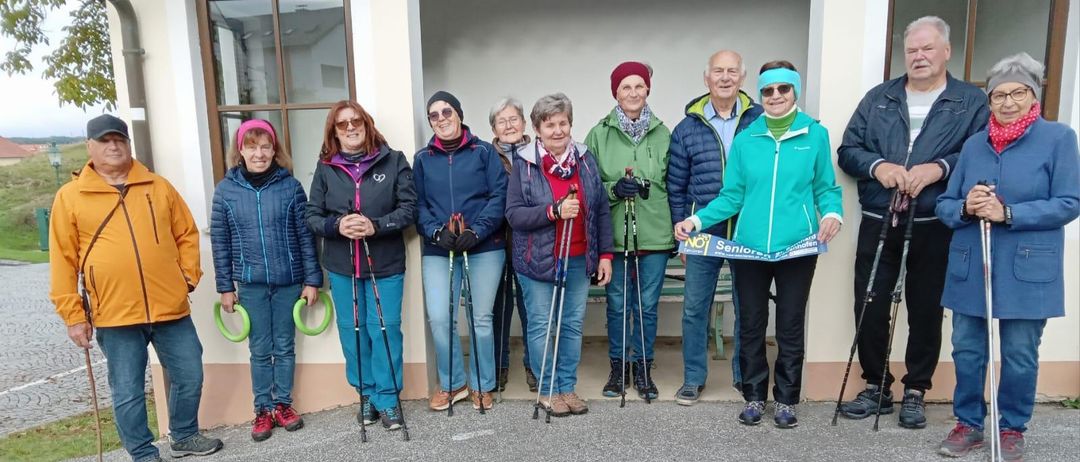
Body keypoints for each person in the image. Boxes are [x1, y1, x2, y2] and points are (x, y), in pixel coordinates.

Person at [836, 15, 990, 429]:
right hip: (879, 216)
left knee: (925, 307)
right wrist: (878, 166)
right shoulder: (879, 97)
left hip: (934, 220)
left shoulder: (970, 101)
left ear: (946, 52)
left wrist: (938, 168)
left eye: (927, 48)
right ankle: (875, 385)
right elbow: (848, 150)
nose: (918, 57)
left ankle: (917, 388)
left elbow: (982, 153)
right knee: (869, 301)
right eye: (912, 50)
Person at [674, 61, 842, 429]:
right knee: (750, 323)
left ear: (794, 91)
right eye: (768, 90)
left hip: (797, 248)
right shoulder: (748, 139)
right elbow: (731, 195)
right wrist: (696, 220)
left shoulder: (814, 134)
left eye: (783, 89)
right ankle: (753, 395)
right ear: (761, 95)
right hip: (749, 248)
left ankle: (785, 400)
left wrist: (832, 214)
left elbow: (826, 188)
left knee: (789, 324)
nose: (775, 96)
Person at [49, 114, 223, 461]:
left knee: (190, 373)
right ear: (90, 147)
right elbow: (63, 262)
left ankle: (185, 434)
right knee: (127, 389)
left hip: (170, 306)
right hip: (114, 313)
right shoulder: (71, 197)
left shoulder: (158, 187)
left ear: (128, 144)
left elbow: (186, 234)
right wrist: (73, 315)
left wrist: (186, 278)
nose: (113, 146)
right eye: (104, 140)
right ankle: (142, 451)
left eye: (119, 140)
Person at [935, 52, 1080, 460]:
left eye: (1018, 92)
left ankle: (1012, 428)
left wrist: (1009, 212)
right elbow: (946, 205)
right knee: (967, 347)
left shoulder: (1058, 138)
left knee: (1018, 353)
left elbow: (1070, 202)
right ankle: (968, 424)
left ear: (1033, 96)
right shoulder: (974, 144)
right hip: (972, 264)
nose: (1008, 102)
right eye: (998, 94)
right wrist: (966, 205)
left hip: (1028, 268)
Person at [306, 100, 416, 430]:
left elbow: (410, 209)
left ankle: (388, 397)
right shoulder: (326, 168)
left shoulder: (394, 161)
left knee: (383, 328)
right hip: (342, 266)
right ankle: (366, 393)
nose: (351, 128)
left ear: (367, 124)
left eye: (356, 121)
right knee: (352, 332)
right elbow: (312, 215)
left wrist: (376, 225)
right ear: (334, 132)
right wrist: (336, 226)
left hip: (385, 264)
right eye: (342, 124)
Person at [210, 119, 322, 441]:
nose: (258, 153)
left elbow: (305, 237)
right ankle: (262, 409)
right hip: (250, 283)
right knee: (260, 349)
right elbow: (220, 241)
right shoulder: (226, 191)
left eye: (265, 146)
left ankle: (284, 405)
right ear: (240, 150)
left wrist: (312, 279)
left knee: (285, 346)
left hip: (289, 281)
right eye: (251, 146)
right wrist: (225, 287)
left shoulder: (291, 187)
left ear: (275, 150)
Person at [506, 93, 614, 417]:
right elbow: (513, 215)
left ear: (570, 124)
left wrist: (605, 254)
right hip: (537, 261)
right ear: (537, 129)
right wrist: (552, 211)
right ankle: (547, 389)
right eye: (549, 124)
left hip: (579, 257)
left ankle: (567, 386)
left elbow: (601, 209)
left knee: (571, 325)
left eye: (562, 123)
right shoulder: (524, 164)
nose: (557, 130)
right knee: (540, 326)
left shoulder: (585, 159)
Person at [667, 49, 763, 405]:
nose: (725, 77)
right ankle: (693, 378)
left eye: (732, 71)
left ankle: (744, 378)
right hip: (702, 230)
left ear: (742, 77)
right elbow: (676, 188)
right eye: (718, 71)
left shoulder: (760, 121)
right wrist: (682, 238)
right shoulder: (687, 127)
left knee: (748, 305)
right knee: (695, 307)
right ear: (706, 78)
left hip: (747, 228)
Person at [414, 91, 508, 412]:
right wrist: (436, 233)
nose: (441, 119)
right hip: (440, 248)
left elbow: (499, 196)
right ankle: (453, 383)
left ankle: (482, 384)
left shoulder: (483, 152)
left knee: (480, 318)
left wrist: (477, 230)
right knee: (441, 318)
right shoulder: (423, 159)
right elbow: (419, 204)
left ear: (459, 114)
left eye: (446, 112)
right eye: (434, 115)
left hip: (483, 246)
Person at [585, 61, 672, 401]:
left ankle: (643, 366)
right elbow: (590, 185)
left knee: (647, 306)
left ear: (647, 89)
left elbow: (672, 183)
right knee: (618, 304)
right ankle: (619, 366)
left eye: (639, 86)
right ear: (616, 93)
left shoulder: (664, 133)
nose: (633, 93)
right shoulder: (599, 133)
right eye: (626, 87)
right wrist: (613, 189)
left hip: (655, 233)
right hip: (617, 236)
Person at [488, 97, 536, 393]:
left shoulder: (537, 152)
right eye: (501, 121)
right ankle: (499, 365)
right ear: (493, 127)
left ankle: (534, 365)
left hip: (531, 240)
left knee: (532, 307)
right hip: (495, 240)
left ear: (524, 122)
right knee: (498, 307)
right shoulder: (485, 155)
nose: (508, 125)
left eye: (513, 119)